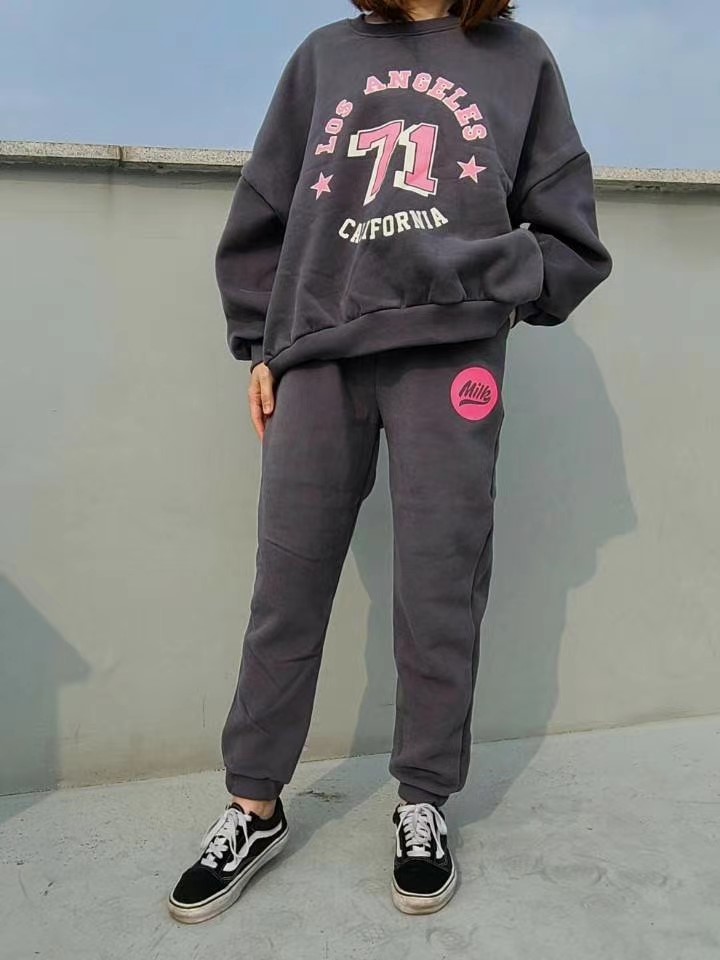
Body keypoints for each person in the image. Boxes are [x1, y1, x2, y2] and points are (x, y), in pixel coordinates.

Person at [168, 0, 612, 922]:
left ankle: (423, 799)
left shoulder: (519, 58)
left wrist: (491, 286)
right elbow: (266, 204)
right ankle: (254, 804)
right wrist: (261, 345)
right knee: (287, 582)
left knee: (441, 583)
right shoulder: (325, 55)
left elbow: (568, 229)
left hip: (452, 360)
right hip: (318, 357)